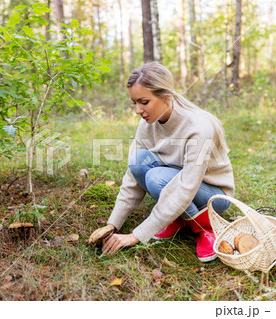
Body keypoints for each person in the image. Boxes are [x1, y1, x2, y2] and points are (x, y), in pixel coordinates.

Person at [89, 62, 235, 262]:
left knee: (157, 178)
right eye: (135, 103)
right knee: (138, 161)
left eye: (144, 101)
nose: (138, 110)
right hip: (176, 180)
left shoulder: (198, 128)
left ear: (166, 96)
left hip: (213, 196)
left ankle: (203, 229)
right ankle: (177, 217)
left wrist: (136, 236)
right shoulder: (147, 125)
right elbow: (132, 177)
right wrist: (112, 224)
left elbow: (186, 186)